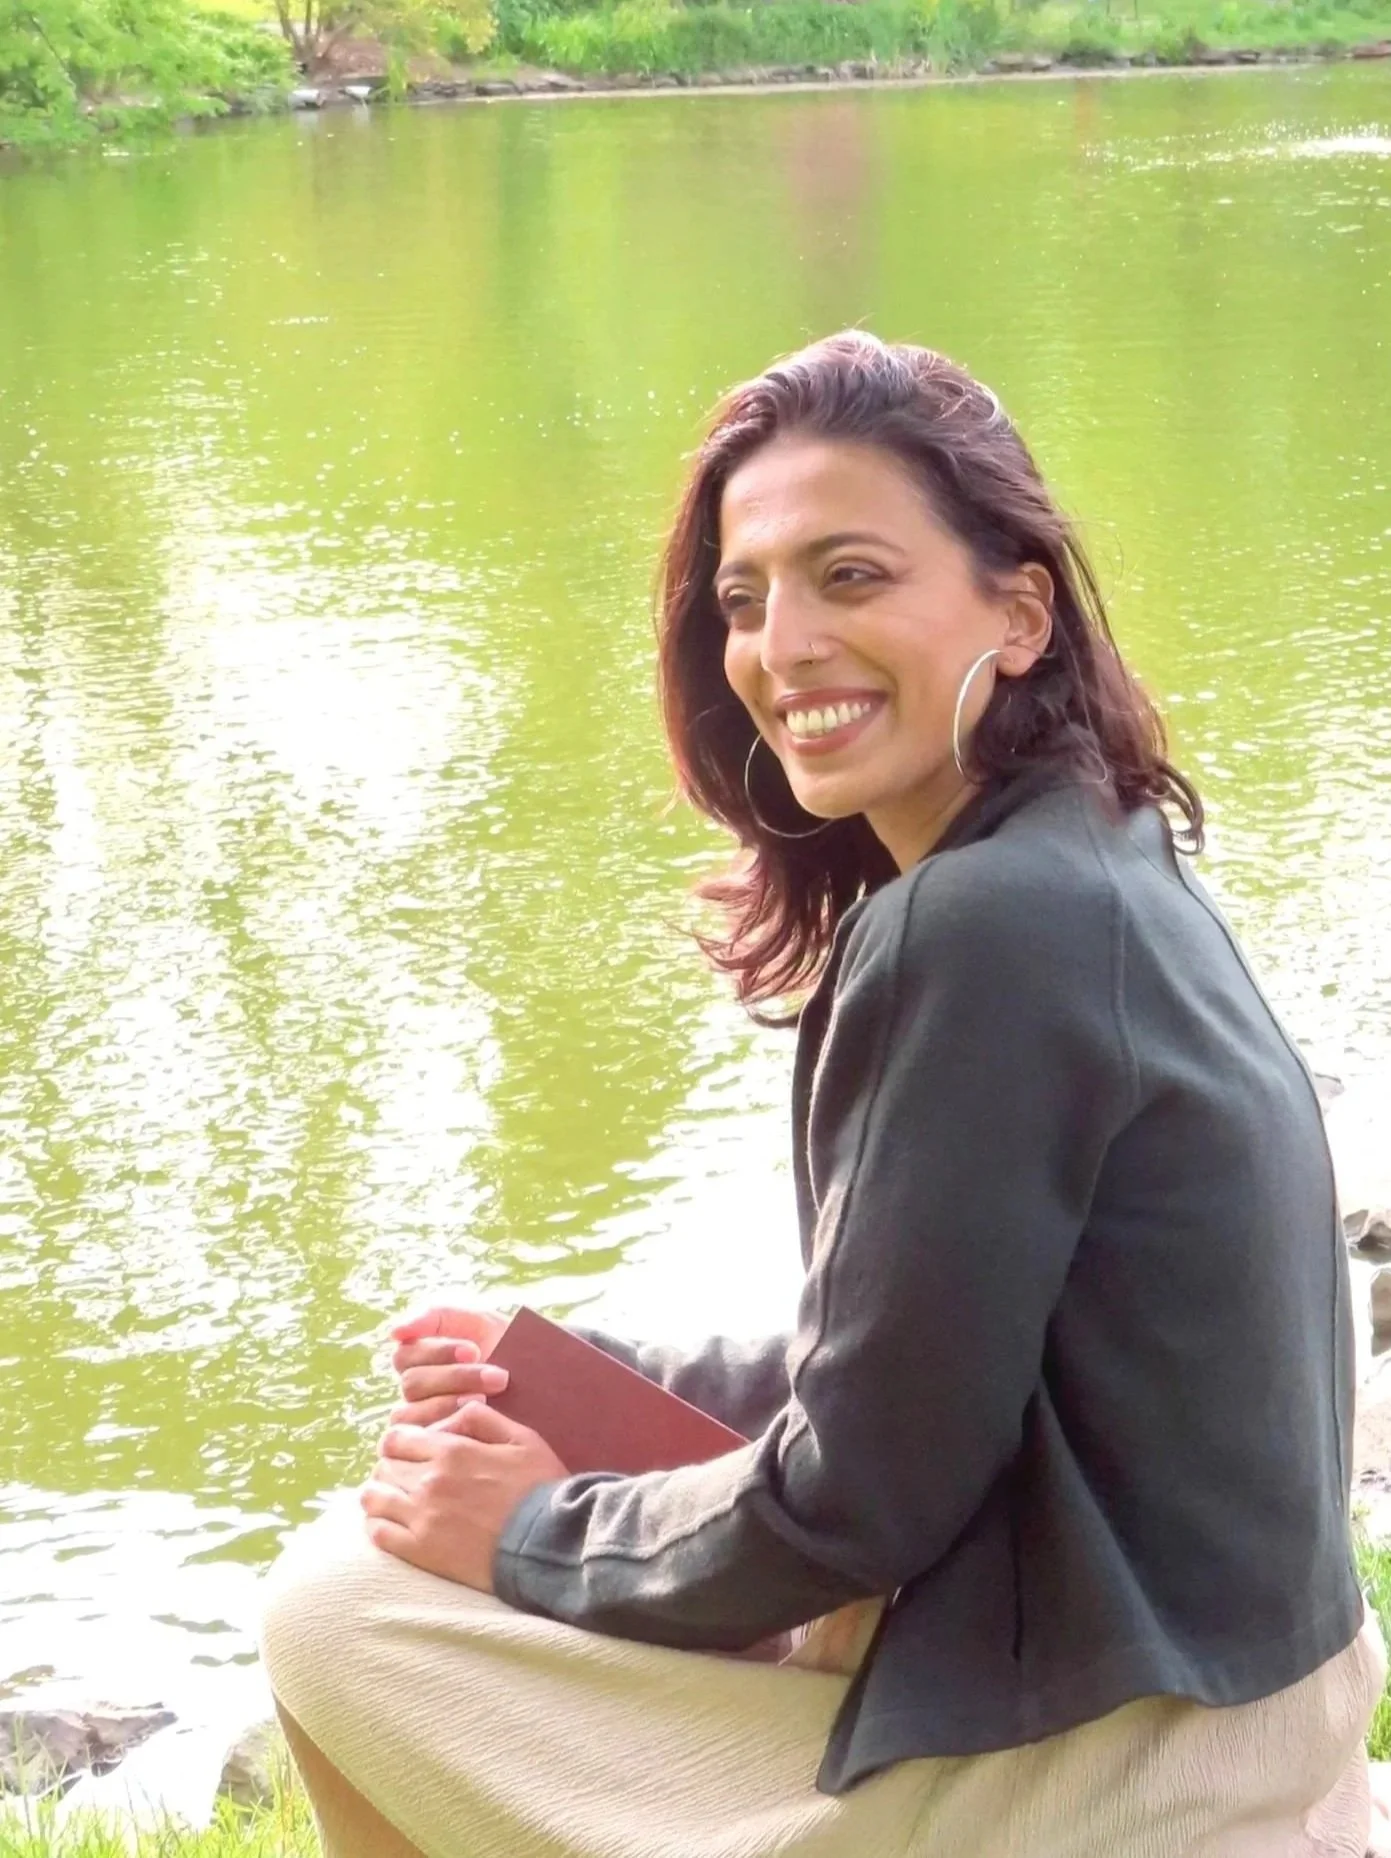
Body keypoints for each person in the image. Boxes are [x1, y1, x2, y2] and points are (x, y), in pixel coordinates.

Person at [260, 332, 1384, 1858]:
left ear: (1020, 608)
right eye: (744, 595)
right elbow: (936, 1342)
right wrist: (603, 1364)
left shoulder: (981, 927)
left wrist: (533, 1526)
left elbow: (856, 1500)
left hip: (1120, 1773)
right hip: (1241, 1686)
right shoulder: (1099, 861)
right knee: (408, 1574)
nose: (779, 645)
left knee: (338, 1608)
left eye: (849, 577)